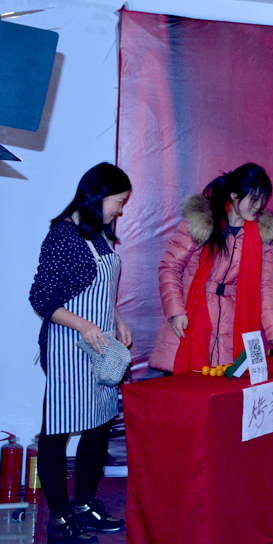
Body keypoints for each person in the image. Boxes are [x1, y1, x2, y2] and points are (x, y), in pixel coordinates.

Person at [29, 163, 133, 543]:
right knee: (56, 433)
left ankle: (85, 504)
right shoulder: (64, 236)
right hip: (67, 349)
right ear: (97, 196)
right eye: (118, 202)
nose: (120, 210)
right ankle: (59, 518)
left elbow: (97, 289)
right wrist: (83, 325)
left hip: (100, 349)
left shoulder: (97, 235)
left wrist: (116, 318)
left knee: (99, 425)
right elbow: (42, 298)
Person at [149, 163, 273, 374]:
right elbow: (169, 268)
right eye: (253, 199)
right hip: (190, 319)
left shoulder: (261, 236)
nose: (258, 206)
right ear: (234, 194)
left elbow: (265, 290)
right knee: (186, 389)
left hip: (232, 327)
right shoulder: (202, 222)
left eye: (262, 200)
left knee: (222, 389)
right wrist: (176, 311)